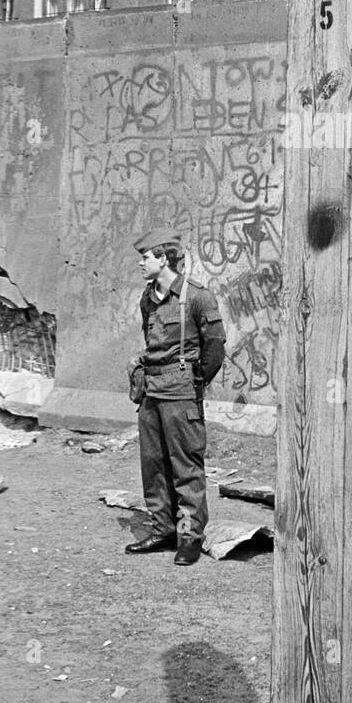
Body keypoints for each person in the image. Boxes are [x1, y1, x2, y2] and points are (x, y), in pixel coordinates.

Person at [125, 227, 226, 566]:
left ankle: (190, 537)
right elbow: (152, 344)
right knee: (153, 465)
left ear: (164, 258)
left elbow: (214, 349)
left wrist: (194, 382)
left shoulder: (197, 297)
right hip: (151, 392)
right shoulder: (146, 298)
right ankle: (163, 529)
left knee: (186, 467)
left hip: (181, 393)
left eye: (145, 257)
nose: (141, 263)